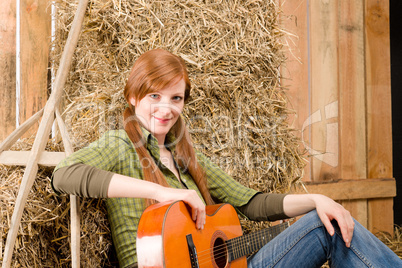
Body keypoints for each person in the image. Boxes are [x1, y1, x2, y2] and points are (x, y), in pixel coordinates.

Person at [52, 49, 402, 268]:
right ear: (132, 97)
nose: (165, 107)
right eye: (154, 95)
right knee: (323, 227)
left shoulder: (187, 155)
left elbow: (252, 204)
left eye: (176, 98)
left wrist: (317, 198)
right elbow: (65, 174)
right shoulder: (120, 145)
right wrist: (166, 193)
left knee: (325, 218)